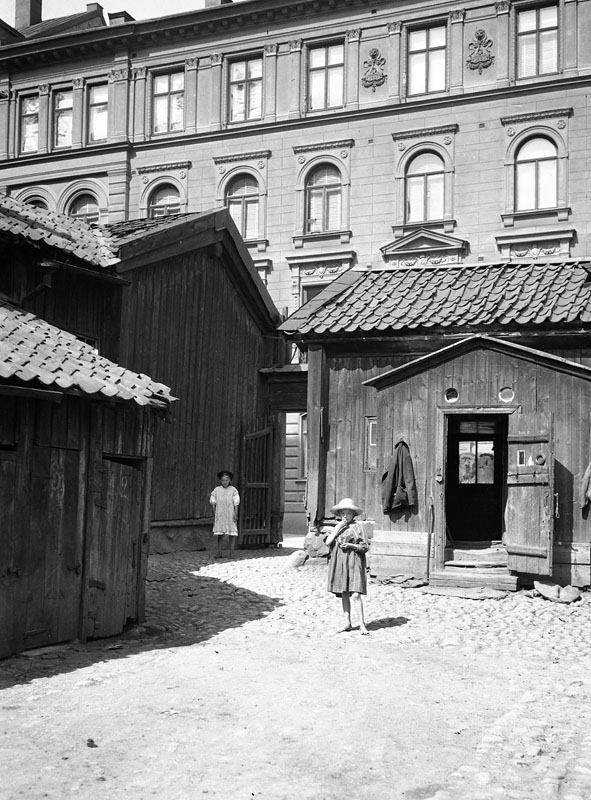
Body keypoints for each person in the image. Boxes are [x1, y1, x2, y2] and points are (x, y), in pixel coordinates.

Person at [324, 498, 369, 635]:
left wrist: (351, 545)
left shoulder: (358, 527)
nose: (345, 516)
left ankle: (362, 624)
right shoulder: (337, 528)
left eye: (348, 513)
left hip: (354, 562)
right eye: (342, 513)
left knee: (355, 594)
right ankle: (347, 622)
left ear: (353, 515)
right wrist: (337, 528)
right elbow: (328, 542)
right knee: (344, 593)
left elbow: (365, 546)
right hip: (340, 562)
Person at [210, 470, 240, 558]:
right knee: (220, 534)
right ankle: (219, 552)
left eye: (226, 480)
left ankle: (231, 553)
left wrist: (235, 514)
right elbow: (213, 502)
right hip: (220, 514)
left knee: (232, 533)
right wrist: (215, 513)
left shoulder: (233, 490)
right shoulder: (217, 490)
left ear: (230, 480)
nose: (225, 482)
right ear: (220, 481)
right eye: (223, 480)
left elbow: (236, 503)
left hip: (230, 513)